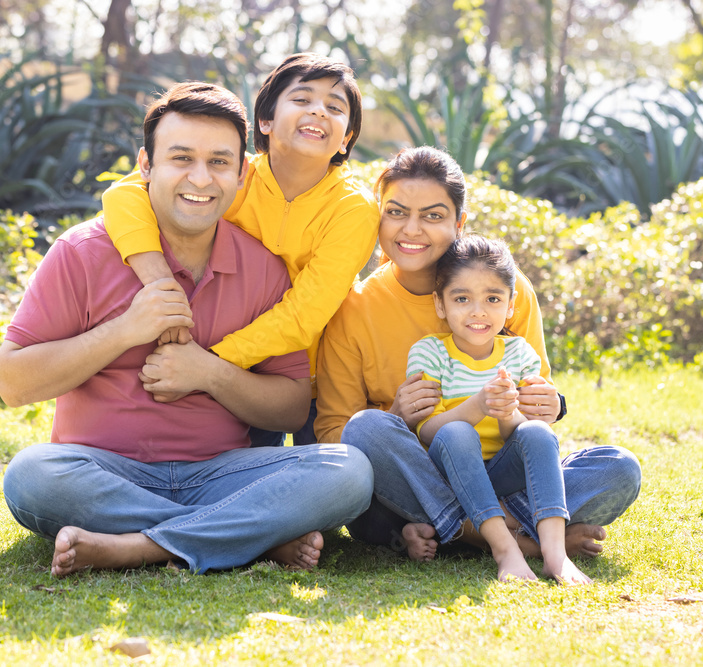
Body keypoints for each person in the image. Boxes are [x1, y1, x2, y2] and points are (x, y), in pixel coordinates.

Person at [0, 81, 372, 577]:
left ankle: (137, 545)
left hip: (222, 474)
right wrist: (126, 329)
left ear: (242, 172)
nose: (201, 178)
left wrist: (210, 373)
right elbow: (14, 383)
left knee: (349, 472)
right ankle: (248, 538)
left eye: (219, 162)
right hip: (102, 469)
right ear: (146, 166)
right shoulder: (82, 252)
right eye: (181, 159)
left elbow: (289, 406)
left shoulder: (264, 269)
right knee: (31, 476)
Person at [316, 146, 641, 577]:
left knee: (618, 468)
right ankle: (521, 538)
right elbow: (339, 438)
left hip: (494, 470)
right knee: (367, 431)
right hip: (417, 474)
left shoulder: (506, 289)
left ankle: (452, 530)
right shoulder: (354, 308)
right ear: (379, 218)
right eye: (396, 212)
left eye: (433, 215)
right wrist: (397, 415)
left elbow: (531, 413)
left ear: (459, 223)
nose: (411, 229)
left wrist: (549, 404)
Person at [100, 53, 379, 446]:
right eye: (302, 99)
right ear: (264, 121)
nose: (318, 112)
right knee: (217, 469)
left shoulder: (353, 208)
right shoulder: (232, 177)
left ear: (346, 137)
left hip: (306, 378)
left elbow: (305, 313)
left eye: (335, 108)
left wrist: (210, 362)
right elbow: (123, 194)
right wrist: (161, 284)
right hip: (207, 356)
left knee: (315, 492)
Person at [406, 234, 590, 584]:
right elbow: (428, 433)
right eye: (462, 298)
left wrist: (507, 413)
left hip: (506, 474)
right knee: (457, 432)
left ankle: (555, 554)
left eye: (492, 298)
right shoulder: (430, 353)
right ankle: (505, 547)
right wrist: (478, 405)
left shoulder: (519, 353)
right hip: (451, 472)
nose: (478, 311)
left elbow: (520, 438)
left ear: (510, 305)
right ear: (440, 304)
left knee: (538, 431)